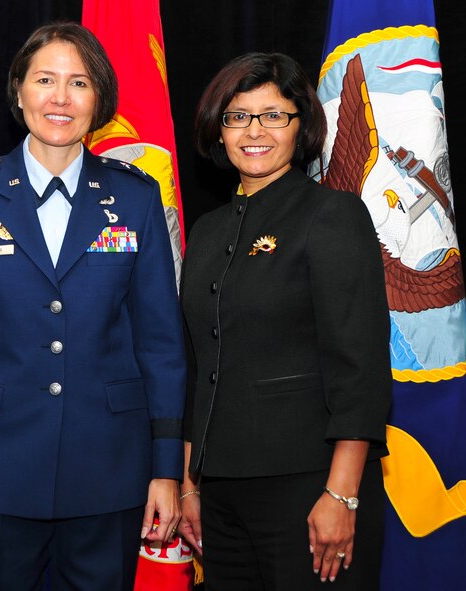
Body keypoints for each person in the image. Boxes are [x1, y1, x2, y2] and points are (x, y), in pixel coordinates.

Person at [0, 22, 186, 591]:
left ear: (99, 101)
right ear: (19, 92)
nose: (60, 98)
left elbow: (160, 344)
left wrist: (165, 470)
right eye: (45, 80)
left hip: (108, 471)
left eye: (79, 83)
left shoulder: (135, 197)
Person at [177, 52, 392, 590]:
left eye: (273, 115)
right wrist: (189, 485)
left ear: (302, 126)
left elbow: (359, 366)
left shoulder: (332, 214)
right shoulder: (205, 231)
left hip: (309, 486)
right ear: (218, 129)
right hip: (220, 490)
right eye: (238, 116)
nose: (255, 131)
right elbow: (197, 363)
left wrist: (341, 495)